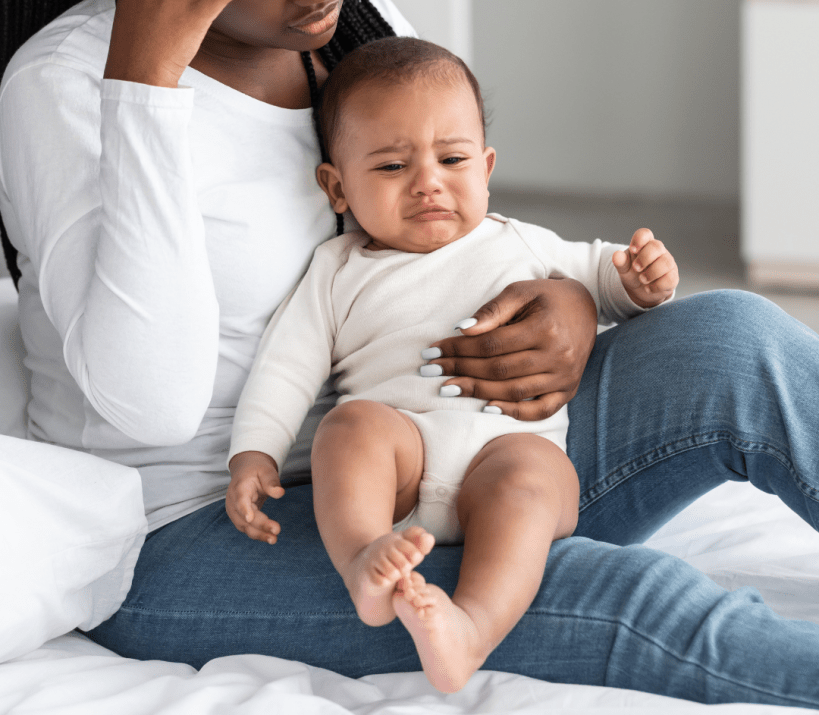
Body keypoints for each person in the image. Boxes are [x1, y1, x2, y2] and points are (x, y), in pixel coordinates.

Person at [1, 0, 819, 706]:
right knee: (618, 597)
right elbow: (153, 400)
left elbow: (465, 231)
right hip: (207, 524)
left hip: (442, 435)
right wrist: (145, 81)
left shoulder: (360, 19)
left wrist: (563, 310)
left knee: (740, 341)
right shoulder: (65, 90)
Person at [225, 37, 680, 693]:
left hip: (504, 455)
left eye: (452, 158)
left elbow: (607, 281)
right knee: (350, 428)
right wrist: (254, 454)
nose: (428, 182)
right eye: (389, 167)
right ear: (336, 186)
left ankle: (469, 628)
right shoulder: (335, 270)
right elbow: (285, 368)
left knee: (533, 476)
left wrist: (643, 280)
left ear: (486, 166)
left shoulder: (519, 241)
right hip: (401, 469)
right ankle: (362, 561)